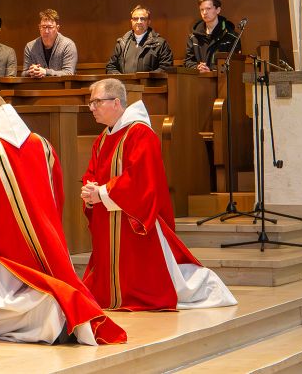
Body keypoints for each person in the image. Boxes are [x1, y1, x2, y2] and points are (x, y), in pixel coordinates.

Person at [0, 95, 126, 346]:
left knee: (3, 303)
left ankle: (53, 319)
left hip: (4, 244)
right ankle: (68, 312)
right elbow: (57, 194)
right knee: (53, 280)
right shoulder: (43, 144)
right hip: (46, 238)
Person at [80, 78, 237, 311]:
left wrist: (101, 193)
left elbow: (141, 178)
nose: (91, 108)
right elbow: (92, 172)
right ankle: (114, 296)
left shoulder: (140, 133)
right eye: (91, 103)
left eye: (96, 102)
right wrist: (89, 190)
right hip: (110, 216)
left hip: (134, 219)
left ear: (115, 102)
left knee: (151, 277)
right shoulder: (103, 139)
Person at [106, 5, 174, 74]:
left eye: (142, 19)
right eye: (135, 19)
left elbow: (166, 68)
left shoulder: (160, 43)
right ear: (131, 21)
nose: (139, 22)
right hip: (125, 84)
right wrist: (122, 80)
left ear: (149, 21)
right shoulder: (121, 43)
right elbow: (111, 67)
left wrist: (146, 78)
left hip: (150, 84)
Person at [183, 0, 241, 73]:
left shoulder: (232, 37)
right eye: (201, 9)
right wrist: (197, 67)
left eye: (208, 9)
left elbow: (234, 65)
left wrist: (211, 70)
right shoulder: (193, 37)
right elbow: (187, 61)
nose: (204, 12)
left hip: (222, 82)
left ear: (218, 10)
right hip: (198, 81)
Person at [22, 9, 78, 78]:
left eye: (50, 27)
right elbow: (24, 73)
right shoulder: (30, 46)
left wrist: (46, 72)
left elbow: (69, 73)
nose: (46, 31)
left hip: (62, 88)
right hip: (37, 88)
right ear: (39, 27)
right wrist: (32, 71)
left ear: (57, 28)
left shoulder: (68, 45)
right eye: (43, 27)